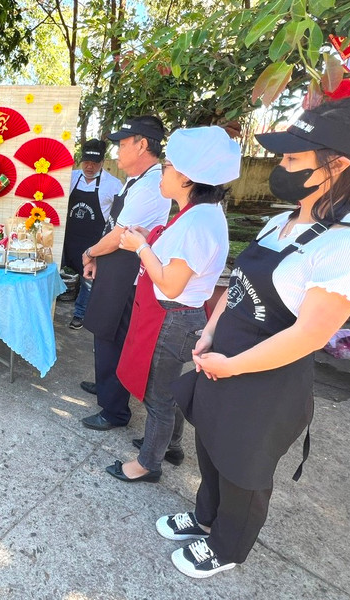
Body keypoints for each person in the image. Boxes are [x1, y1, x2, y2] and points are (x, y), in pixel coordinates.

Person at [158, 97, 350, 578]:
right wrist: (209, 331)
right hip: (222, 359)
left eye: (292, 159)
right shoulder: (281, 220)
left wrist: (233, 365)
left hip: (266, 379)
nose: (279, 167)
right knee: (212, 447)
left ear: (340, 164)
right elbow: (240, 284)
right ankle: (206, 517)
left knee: (244, 468)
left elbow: (309, 335)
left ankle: (227, 547)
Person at [103, 126, 239, 484]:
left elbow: (171, 281)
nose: (162, 173)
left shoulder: (199, 221)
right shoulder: (196, 214)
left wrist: (140, 248)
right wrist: (150, 242)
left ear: (186, 177)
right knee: (170, 390)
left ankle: (147, 464)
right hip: (173, 315)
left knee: (158, 397)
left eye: (166, 167)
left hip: (172, 318)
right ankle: (171, 445)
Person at [79, 115, 171, 431]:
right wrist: (97, 259)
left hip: (128, 275)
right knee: (104, 333)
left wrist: (90, 252)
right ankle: (106, 386)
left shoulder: (150, 186)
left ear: (142, 144)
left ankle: (115, 410)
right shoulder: (137, 180)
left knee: (115, 338)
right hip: (114, 267)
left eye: (122, 144)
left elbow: (120, 235)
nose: (117, 151)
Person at [60, 139, 122, 330]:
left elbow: (118, 216)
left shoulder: (113, 184)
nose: (89, 166)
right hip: (68, 237)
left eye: (94, 163)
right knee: (57, 270)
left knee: (88, 278)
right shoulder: (71, 177)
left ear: (102, 163)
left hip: (92, 240)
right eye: (86, 161)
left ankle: (80, 313)